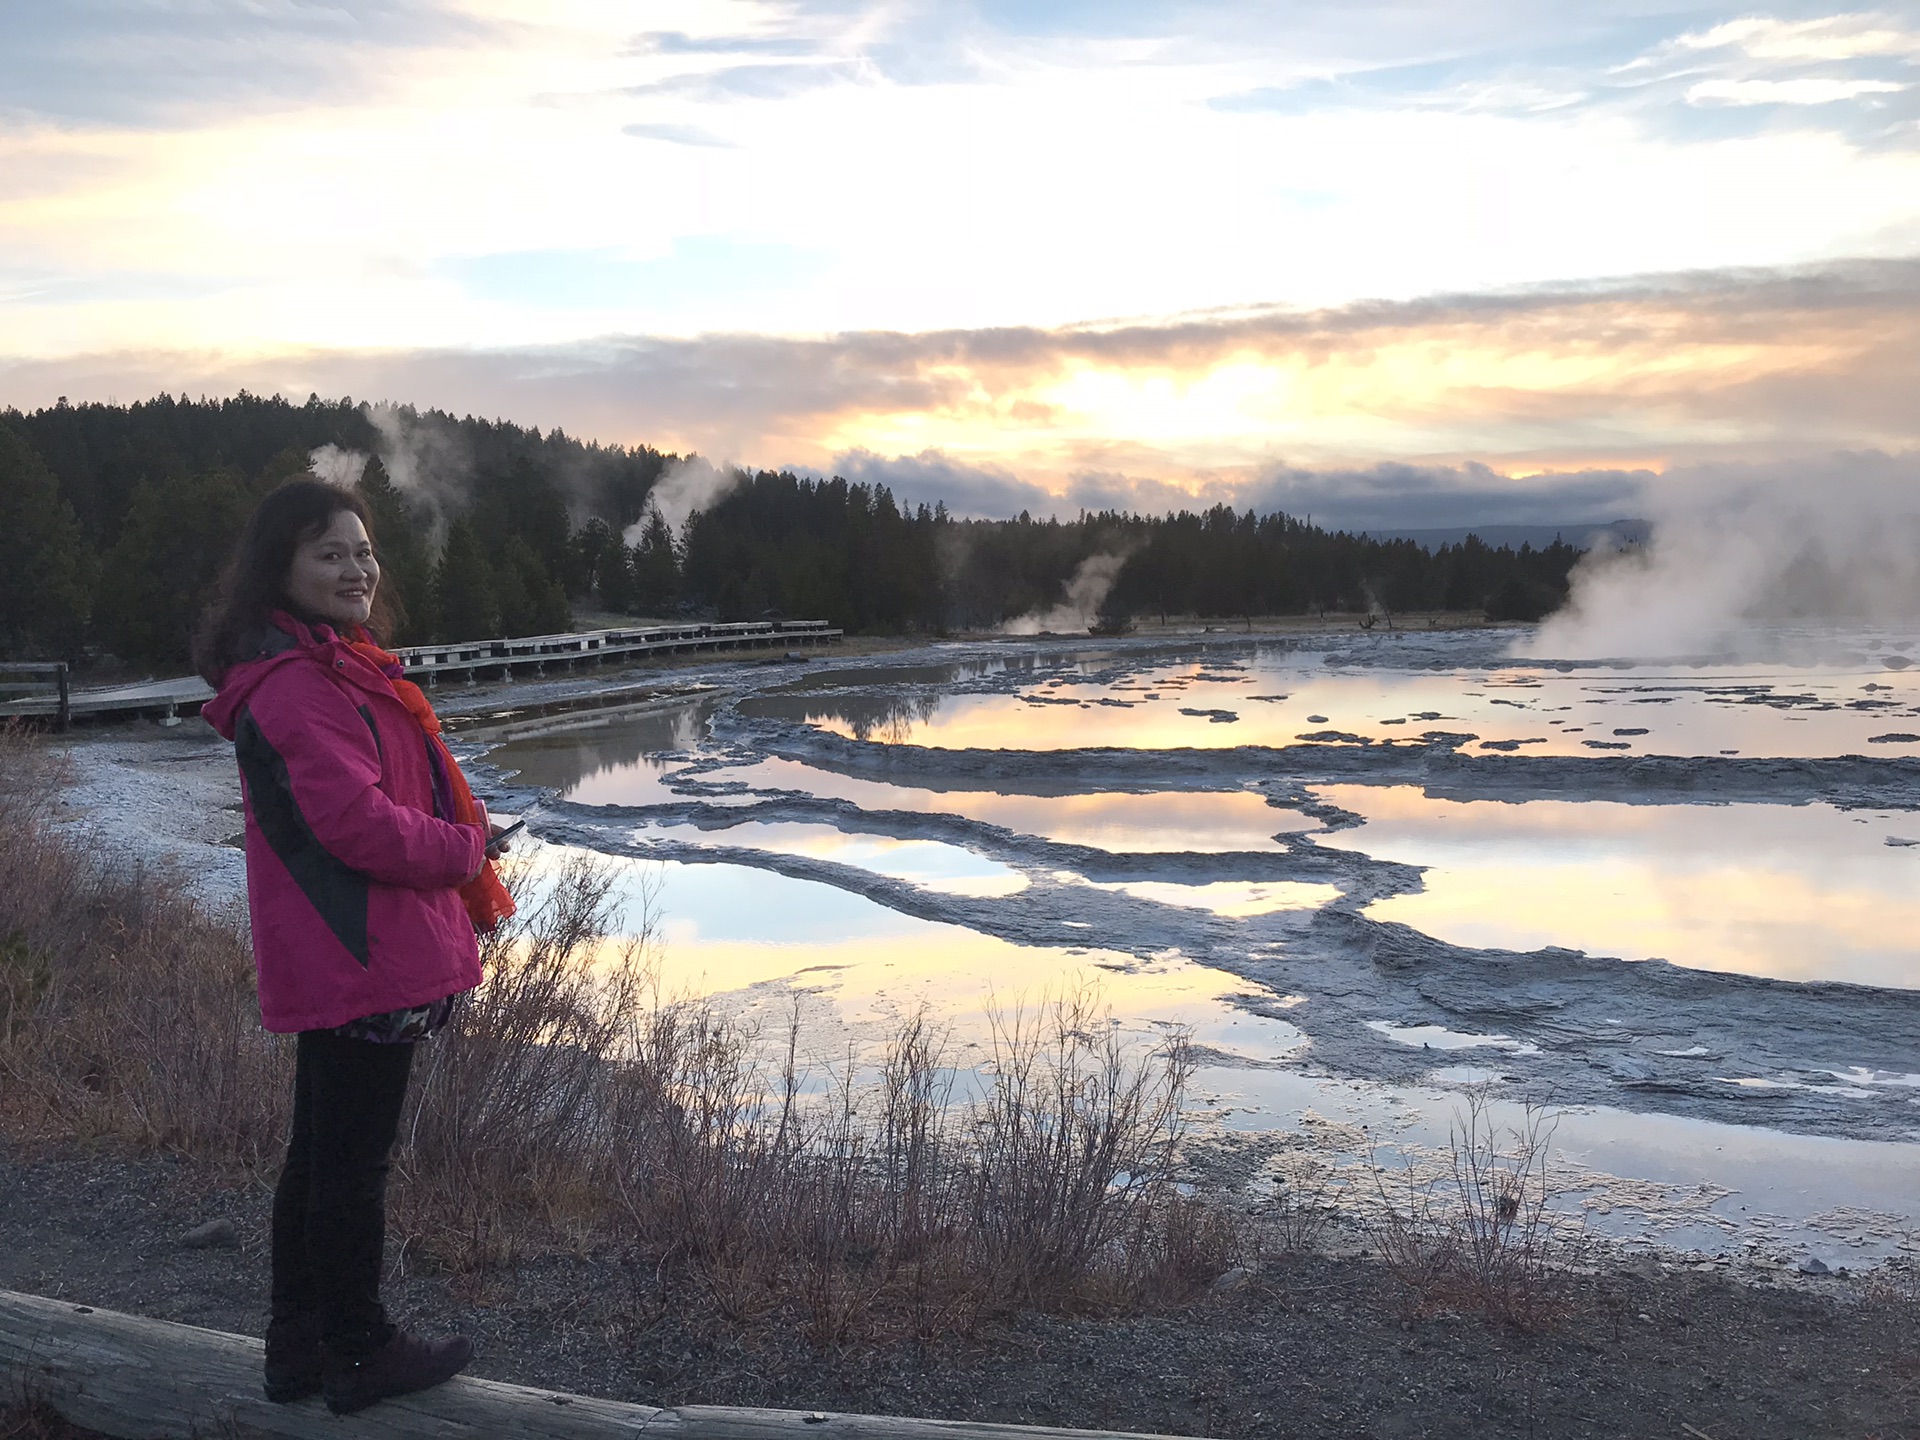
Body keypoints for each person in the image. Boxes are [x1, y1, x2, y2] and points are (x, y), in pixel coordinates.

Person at [196, 476, 516, 1415]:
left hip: (346, 947)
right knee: (350, 1164)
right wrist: (468, 847)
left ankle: (296, 1350)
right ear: (281, 569)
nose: (356, 568)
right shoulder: (300, 684)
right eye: (328, 553)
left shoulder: (330, 668)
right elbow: (359, 826)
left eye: (363, 551)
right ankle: (359, 1347)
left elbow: (373, 801)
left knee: (321, 1155)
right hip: (358, 952)